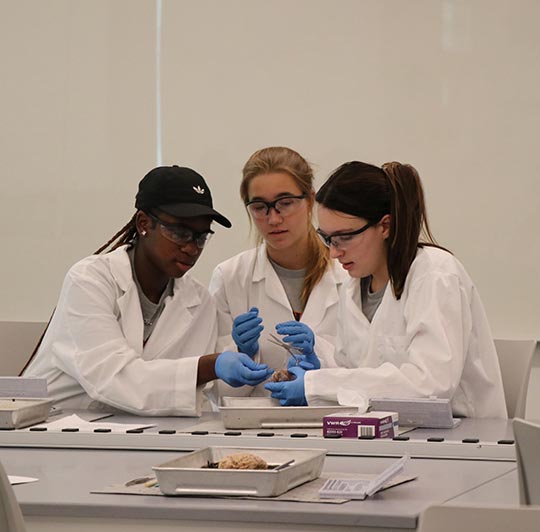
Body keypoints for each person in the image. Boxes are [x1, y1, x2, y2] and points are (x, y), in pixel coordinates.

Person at [265, 160, 507, 418]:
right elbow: (359, 374)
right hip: (388, 433)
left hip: (463, 441)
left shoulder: (434, 275)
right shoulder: (353, 287)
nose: (334, 252)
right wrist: (318, 365)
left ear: (385, 226)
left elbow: (429, 385)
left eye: (345, 237)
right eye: (327, 238)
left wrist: (318, 385)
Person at [23, 166, 273, 415]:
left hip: (137, 434)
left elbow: (200, 394)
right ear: (144, 223)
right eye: (179, 232)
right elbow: (114, 379)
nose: (191, 248)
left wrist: (242, 354)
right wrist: (211, 365)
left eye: (200, 236)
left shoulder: (198, 302)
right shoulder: (90, 281)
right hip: (50, 430)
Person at [209, 147, 347, 397]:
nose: (273, 219)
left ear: (310, 201)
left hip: (332, 428)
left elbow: (366, 371)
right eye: (260, 207)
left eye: (285, 203)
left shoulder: (349, 273)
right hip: (252, 429)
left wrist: (320, 360)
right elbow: (218, 393)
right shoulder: (230, 277)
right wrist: (243, 352)